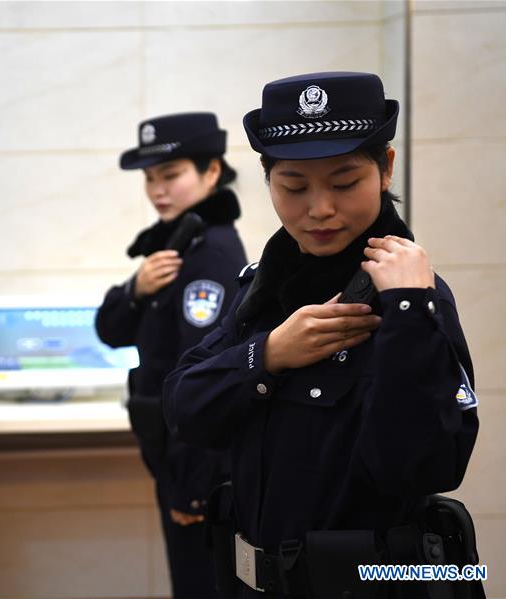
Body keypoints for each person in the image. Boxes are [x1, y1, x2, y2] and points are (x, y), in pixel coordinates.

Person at [163, 72, 481, 598]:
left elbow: (422, 467)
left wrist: (407, 312)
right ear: (268, 182)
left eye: (343, 183)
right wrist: (266, 355)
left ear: (385, 170)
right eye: (293, 186)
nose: (319, 209)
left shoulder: (416, 299)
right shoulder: (260, 289)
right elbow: (185, 409)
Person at [96, 112, 248, 598]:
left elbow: (206, 378)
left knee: (201, 585)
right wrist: (135, 290)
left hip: (197, 471)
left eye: (172, 175)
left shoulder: (212, 255)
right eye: (149, 178)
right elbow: (111, 331)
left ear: (211, 172)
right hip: (175, 460)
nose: (158, 190)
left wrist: (193, 486)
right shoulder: (175, 245)